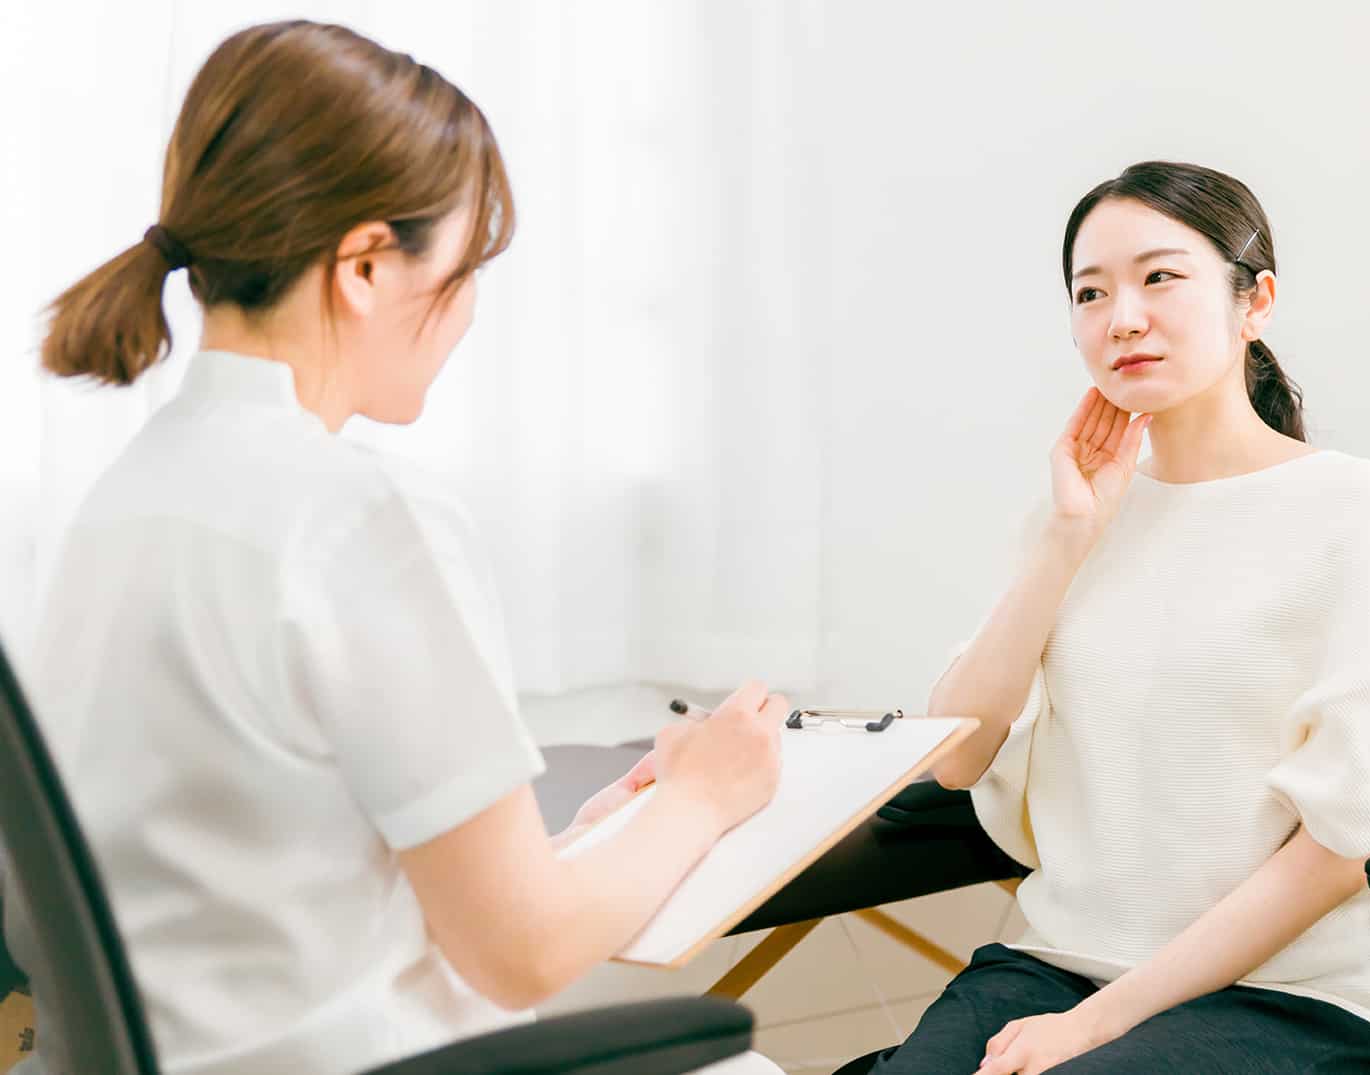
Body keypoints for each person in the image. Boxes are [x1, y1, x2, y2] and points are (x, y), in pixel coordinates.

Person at [3, 20, 788, 1075]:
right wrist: (704, 795)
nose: (465, 315)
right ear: (367, 266)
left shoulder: (122, 503)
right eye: (464, 270)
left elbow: (258, 902)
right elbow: (525, 955)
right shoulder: (350, 511)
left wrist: (577, 848)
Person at [857, 161, 1370, 1074]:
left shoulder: (1359, 510)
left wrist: (1096, 1023)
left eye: (1159, 277)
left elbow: (1338, 849)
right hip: (1052, 967)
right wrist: (1069, 537)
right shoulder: (1070, 514)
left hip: (1284, 1002)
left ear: (1254, 301)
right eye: (1090, 291)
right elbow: (959, 754)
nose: (1121, 317)